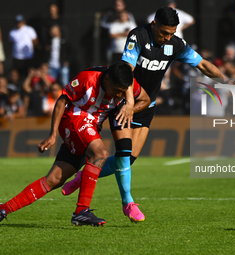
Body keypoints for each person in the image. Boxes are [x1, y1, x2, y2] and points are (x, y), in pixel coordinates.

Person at [62, 7, 235, 221]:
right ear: (154, 24)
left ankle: (85, 175)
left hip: (147, 104)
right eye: (164, 33)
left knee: (129, 159)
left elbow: (202, 64)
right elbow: (126, 70)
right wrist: (128, 103)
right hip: (124, 100)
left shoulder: (175, 44)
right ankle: (128, 202)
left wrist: (226, 81)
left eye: (171, 33)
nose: (167, 38)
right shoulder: (137, 36)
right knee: (123, 151)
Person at [0, 62, 150, 226]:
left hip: (90, 127)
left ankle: (4, 208)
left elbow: (145, 99)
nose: (121, 95)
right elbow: (61, 101)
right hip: (74, 119)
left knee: (54, 179)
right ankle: (81, 211)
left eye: (123, 91)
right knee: (100, 153)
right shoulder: (87, 79)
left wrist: (131, 109)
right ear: (107, 80)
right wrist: (53, 134)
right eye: (117, 90)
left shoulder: (125, 86)